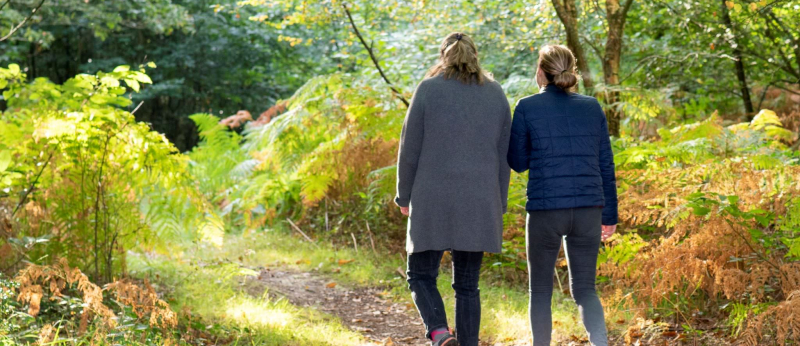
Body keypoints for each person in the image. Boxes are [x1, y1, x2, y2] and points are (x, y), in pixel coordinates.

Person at [395, 32, 511, 346]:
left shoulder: (428, 90)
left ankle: (440, 333)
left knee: (420, 274)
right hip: (479, 200)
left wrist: (403, 196)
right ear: (475, 56)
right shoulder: (496, 94)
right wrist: (498, 202)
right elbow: (504, 155)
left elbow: (410, 149)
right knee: (468, 285)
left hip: (432, 198)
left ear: (443, 57)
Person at [507, 45, 618, 346]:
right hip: (588, 209)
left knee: (540, 290)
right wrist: (610, 217)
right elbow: (605, 163)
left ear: (541, 71)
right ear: (571, 70)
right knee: (586, 289)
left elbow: (517, 163)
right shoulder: (592, 106)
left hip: (546, 210)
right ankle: (601, 343)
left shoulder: (527, 107)